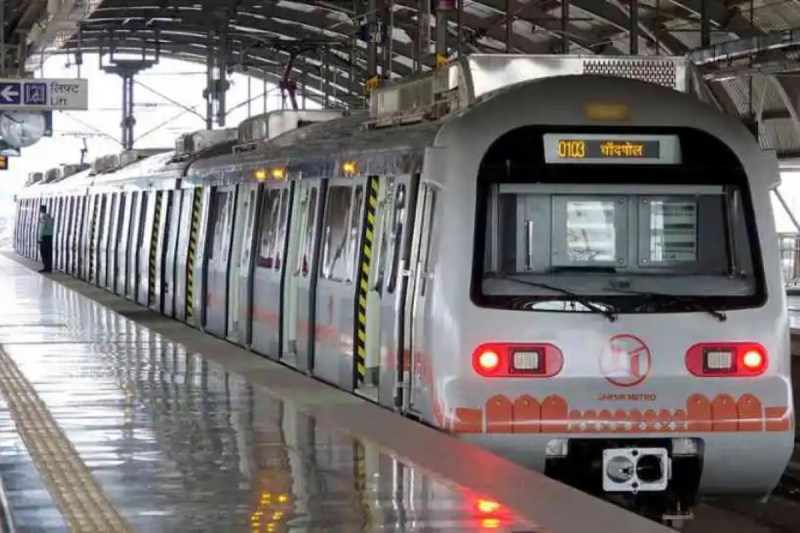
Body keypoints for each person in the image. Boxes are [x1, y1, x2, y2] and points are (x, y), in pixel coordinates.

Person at [37, 205, 54, 273]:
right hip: (50, 237)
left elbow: (41, 228)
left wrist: (39, 238)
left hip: (44, 237)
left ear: (41, 210)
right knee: (49, 253)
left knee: (43, 253)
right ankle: (49, 267)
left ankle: (46, 267)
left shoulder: (43, 217)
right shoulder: (50, 217)